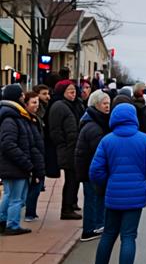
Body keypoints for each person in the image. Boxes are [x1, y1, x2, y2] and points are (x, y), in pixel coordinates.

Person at [89, 103, 146, 264]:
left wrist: (106, 184)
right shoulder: (143, 140)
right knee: (128, 236)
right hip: (135, 194)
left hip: (113, 194)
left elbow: (95, 171)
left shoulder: (107, 141)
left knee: (109, 234)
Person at [0, 85, 44, 235]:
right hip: (14, 165)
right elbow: (8, 144)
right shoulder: (11, 118)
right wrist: (25, 162)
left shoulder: (13, 116)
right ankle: (11, 225)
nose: (22, 98)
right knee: (16, 198)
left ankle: (3, 220)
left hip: (12, 164)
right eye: (21, 96)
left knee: (10, 195)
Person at [75, 90, 111, 241]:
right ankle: (89, 229)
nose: (108, 107)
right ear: (96, 105)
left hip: (89, 167)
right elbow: (99, 152)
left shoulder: (93, 120)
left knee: (95, 198)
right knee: (92, 199)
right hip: (90, 169)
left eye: (109, 103)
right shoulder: (94, 126)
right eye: (104, 104)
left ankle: (96, 225)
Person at [49, 80, 84, 220]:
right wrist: (64, 145)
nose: (73, 93)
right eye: (70, 91)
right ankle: (66, 209)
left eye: (74, 90)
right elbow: (55, 130)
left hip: (74, 147)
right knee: (71, 179)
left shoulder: (75, 105)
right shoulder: (59, 106)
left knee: (75, 179)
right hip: (67, 149)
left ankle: (72, 203)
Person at [25, 85, 51, 222]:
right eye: (34, 102)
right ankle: (28, 213)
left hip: (38, 154)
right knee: (33, 186)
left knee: (37, 185)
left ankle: (31, 212)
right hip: (34, 155)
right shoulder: (30, 119)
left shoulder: (37, 117)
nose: (37, 105)